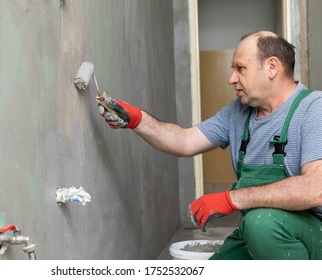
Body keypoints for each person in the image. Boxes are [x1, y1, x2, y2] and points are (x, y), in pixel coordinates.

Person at [98, 31, 322, 260]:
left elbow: (316, 188)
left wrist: (230, 199)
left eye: (240, 68)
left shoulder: (313, 109)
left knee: (260, 224)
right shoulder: (238, 112)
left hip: (312, 234)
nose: (231, 78)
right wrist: (137, 120)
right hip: (260, 232)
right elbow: (185, 141)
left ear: (272, 67)